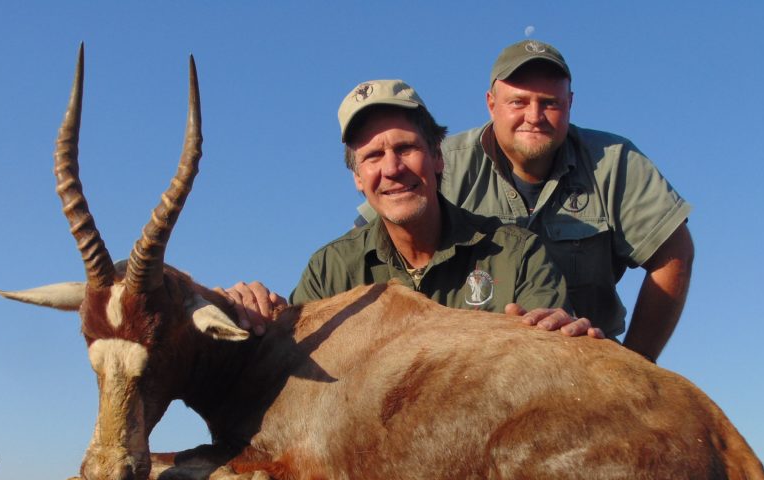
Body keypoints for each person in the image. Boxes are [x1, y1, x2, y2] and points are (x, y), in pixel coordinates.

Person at [354, 41, 694, 361]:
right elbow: (369, 242)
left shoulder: (615, 162)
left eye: (550, 103)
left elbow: (674, 252)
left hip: (583, 364)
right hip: (460, 370)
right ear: (491, 103)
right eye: (518, 102)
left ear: (570, 104)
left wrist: (635, 365)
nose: (534, 116)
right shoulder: (440, 164)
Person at [225, 79, 601, 338]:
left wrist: (562, 341)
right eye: (373, 156)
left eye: (405, 149)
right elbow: (288, 366)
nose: (392, 169)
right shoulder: (329, 273)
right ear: (357, 178)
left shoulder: (517, 254)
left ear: (438, 156)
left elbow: (550, 360)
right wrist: (243, 312)